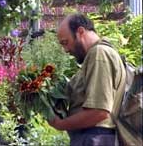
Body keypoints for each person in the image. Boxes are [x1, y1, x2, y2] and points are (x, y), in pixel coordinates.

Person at [48, 13, 126, 146]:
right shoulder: (93, 56)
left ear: (80, 32)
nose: (66, 50)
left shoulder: (99, 54)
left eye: (66, 43)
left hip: (95, 138)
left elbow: (99, 112)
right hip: (92, 137)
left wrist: (60, 124)